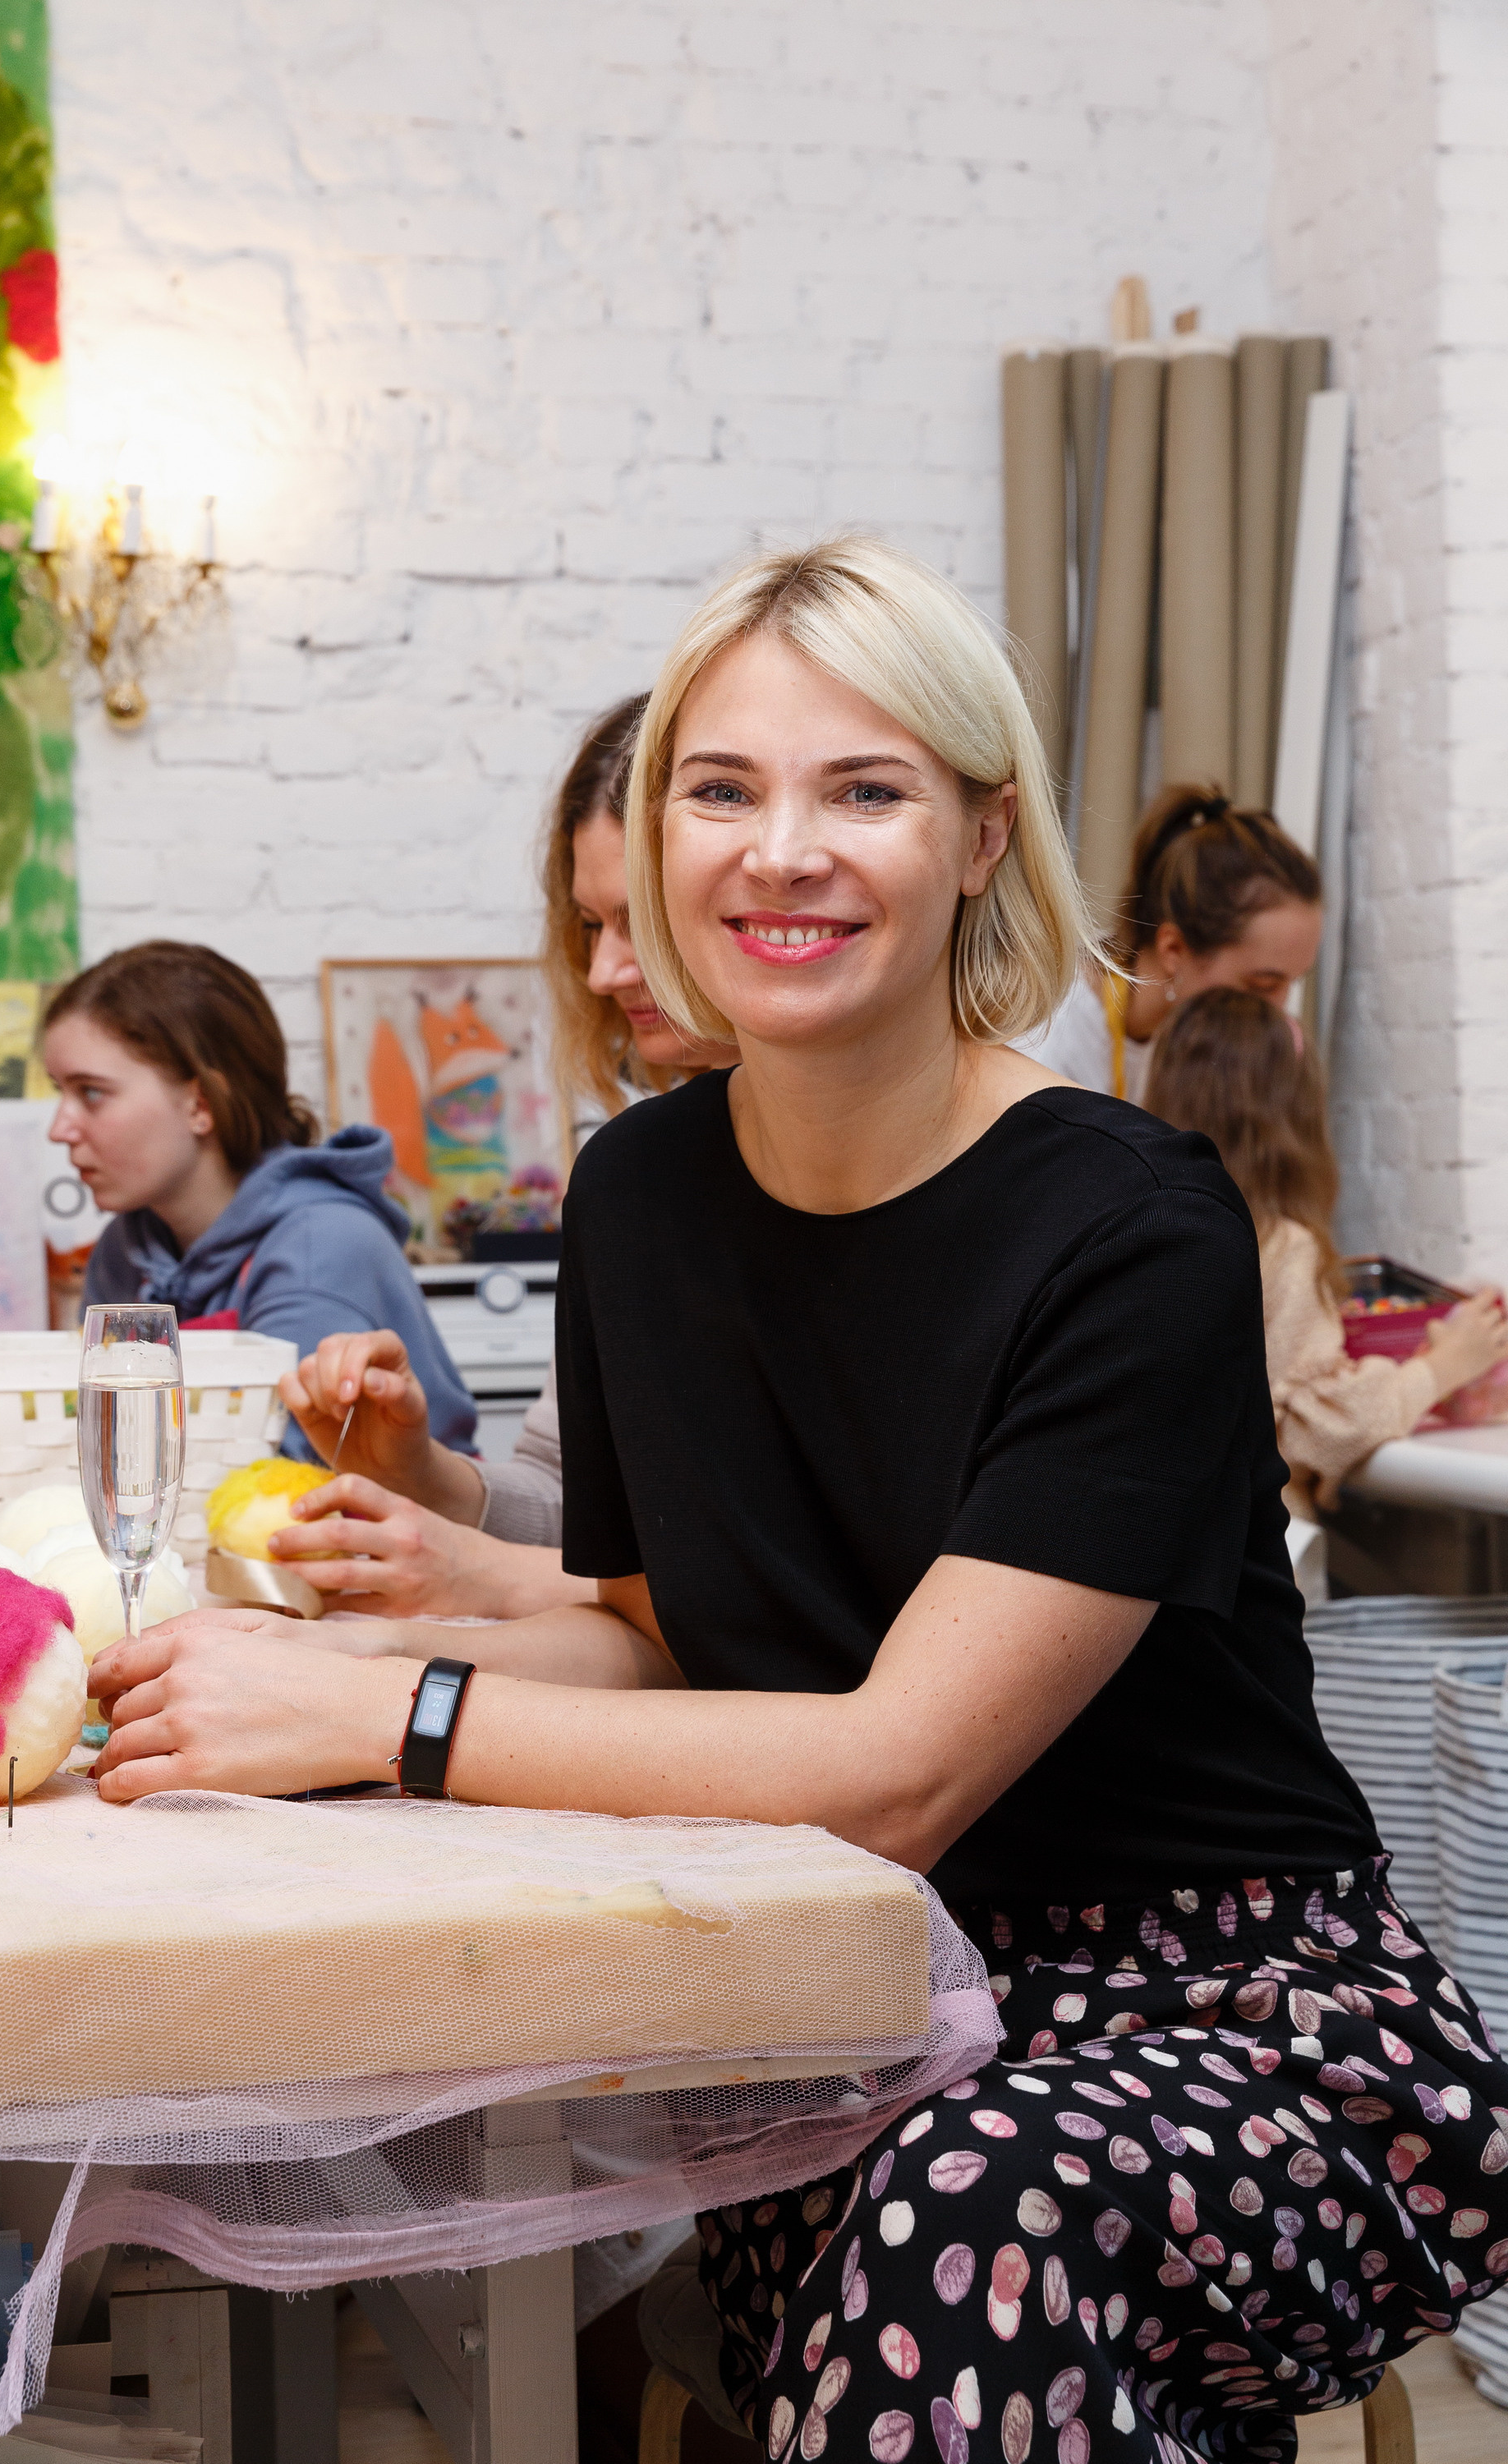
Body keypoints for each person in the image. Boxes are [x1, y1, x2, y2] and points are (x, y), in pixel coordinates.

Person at [91, 536, 1508, 2461]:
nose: (780, 853)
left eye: (862, 789)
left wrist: (390, 1712)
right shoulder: (636, 1199)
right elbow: (657, 1647)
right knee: (917, 2241)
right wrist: (279, 1669)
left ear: (981, 837)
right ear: (656, 840)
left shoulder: (1130, 1224)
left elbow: (897, 1772)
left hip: (1243, 2022)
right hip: (840, 2001)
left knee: (968, 2215)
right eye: (720, 789)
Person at [263, 696, 736, 1616]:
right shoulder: (637, 1178)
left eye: (640, 921)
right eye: (591, 925)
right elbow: (572, 1509)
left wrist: (467, 1582)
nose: (603, 971)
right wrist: (419, 1472)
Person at [42, 941, 476, 1464]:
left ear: (200, 1103)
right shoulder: (125, 1248)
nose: (59, 1129)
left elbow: (279, 1471)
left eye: (91, 1092)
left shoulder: (322, 1248)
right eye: (59, 1091)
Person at [1147, 986, 1508, 1510]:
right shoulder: (1283, 1245)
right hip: (1255, 1537)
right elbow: (1319, 1427)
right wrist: (1443, 1367)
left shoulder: (1154, 1228)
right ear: (1294, 1116)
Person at [1014, 784, 1323, 1100]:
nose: (1280, 1010)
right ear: (1173, 949)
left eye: (1293, 982)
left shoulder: (1200, 1041)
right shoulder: (1047, 1046)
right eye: (1262, 984)